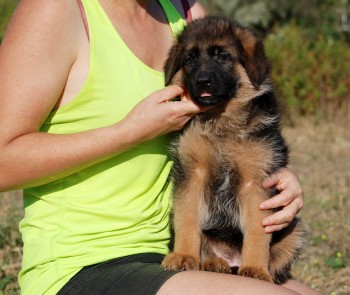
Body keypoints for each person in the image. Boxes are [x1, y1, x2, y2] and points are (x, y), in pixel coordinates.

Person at [0, 0, 320, 294]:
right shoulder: (56, 10)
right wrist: (127, 132)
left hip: (171, 255)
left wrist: (276, 175)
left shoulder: (185, 13)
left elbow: (234, 126)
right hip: (82, 263)